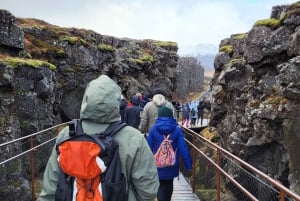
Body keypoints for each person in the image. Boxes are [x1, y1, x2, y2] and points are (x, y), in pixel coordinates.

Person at [37, 75, 159, 201]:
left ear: (86, 99)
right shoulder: (134, 138)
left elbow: (50, 187)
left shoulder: (67, 134)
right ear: (116, 102)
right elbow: (148, 191)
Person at [147, 105, 192, 201]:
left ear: (158, 116)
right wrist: (188, 166)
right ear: (171, 116)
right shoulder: (177, 130)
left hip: (157, 165)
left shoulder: (153, 129)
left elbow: (147, 149)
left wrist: (145, 167)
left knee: (160, 186)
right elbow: (183, 148)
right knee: (169, 185)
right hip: (172, 164)